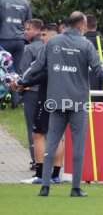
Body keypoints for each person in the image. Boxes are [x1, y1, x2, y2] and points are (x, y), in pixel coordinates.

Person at [21, 11, 103, 197]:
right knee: (78, 146)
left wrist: (21, 81)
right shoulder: (85, 45)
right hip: (78, 103)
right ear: (81, 26)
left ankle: (45, 187)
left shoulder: (52, 42)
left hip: (56, 101)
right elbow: (100, 71)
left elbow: (36, 67)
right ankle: (75, 188)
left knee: (51, 144)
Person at [20, 23, 64, 184]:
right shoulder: (66, 51)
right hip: (61, 97)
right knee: (57, 135)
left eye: (44, 35)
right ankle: (56, 175)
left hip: (46, 96)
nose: (41, 38)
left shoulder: (49, 51)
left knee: (38, 134)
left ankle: (39, 175)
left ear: (53, 36)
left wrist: (22, 82)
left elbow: (44, 74)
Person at [20, 18, 44, 171]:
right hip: (47, 91)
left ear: (36, 30)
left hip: (32, 91)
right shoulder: (50, 46)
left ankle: (36, 160)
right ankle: (52, 160)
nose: (25, 32)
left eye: (28, 29)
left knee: (33, 128)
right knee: (48, 129)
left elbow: (24, 72)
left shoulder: (29, 49)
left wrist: (21, 86)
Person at [0, 0, 32, 108]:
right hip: (19, 41)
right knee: (15, 71)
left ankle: (2, 99)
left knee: (2, 70)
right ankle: (15, 100)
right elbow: (29, 22)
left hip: (3, 39)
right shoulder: (25, 2)